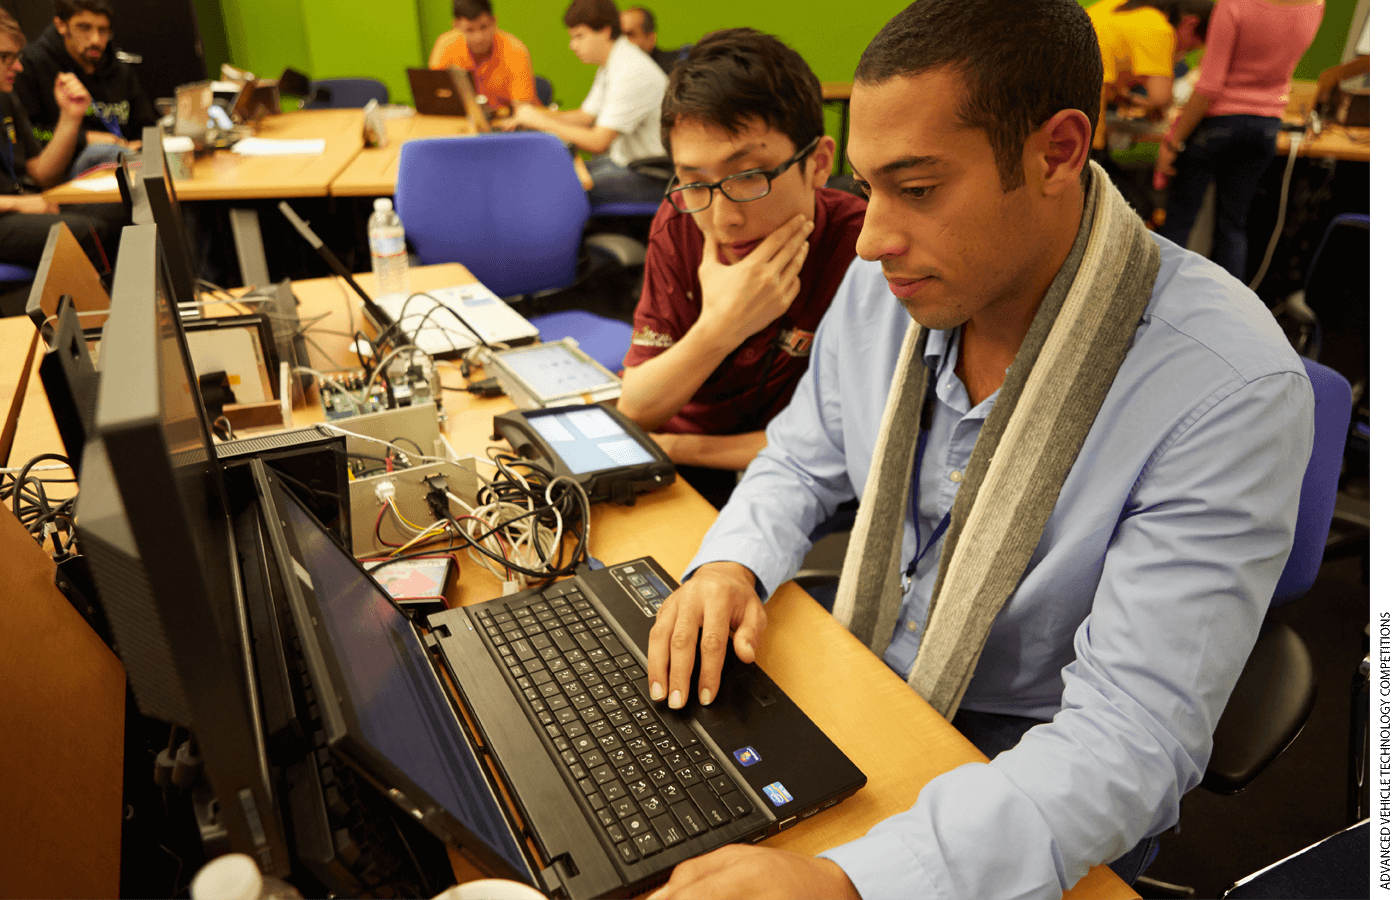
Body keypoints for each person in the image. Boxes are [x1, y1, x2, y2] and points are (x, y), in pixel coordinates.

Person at [644, 1, 1313, 898]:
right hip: (873, 687)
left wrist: (850, 885)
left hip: (1034, 772)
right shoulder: (894, 284)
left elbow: (1128, 743)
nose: (874, 235)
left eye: (917, 189)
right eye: (868, 185)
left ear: (1059, 152)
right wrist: (729, 567)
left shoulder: (1225, 384)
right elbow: (802, 459)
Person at [615, 28, 865, 510]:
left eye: (749, 177)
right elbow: (638, 407)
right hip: (681, 473)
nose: (724, 218)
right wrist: (723, 325)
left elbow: (849, 440)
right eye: (695, 182)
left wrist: (683, 448)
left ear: (818, 163)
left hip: (797, 480)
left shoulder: (860, 248)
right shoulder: (682, 219)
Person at [1156, 0, 1325, 282]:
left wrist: (1172, 142)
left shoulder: (1233, 4)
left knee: (1178, 224)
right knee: (1233, 227)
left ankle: (1151, 310)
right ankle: (1231, 318)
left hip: (1219, 123)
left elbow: (1209, 86)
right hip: (1267, 126)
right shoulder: (1315, 5)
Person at [501, 0, 667, 204]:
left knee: (551, 189)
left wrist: (538, 121)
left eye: (579, 36)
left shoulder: (631, 71)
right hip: (624, 163)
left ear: (605, 31)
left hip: (650, 176)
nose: (573, 46)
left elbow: (598, 141)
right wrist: (530, 115)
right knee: (549, 175)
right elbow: (584, 117)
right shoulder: (612, 63)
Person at [0, 8, 120, 273]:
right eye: (4, 57)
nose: (18, 67)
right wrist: (20, 203)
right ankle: (111, 312)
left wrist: (70, 117)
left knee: (117, 209)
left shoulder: (6, 97)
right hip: (7, 212)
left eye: (16, 57)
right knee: (86, 232)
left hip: (21, 204)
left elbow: (42, 174)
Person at [13, 0, 156, 178]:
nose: (95, 39)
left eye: (103, 30)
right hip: (65, 170)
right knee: (102, 153)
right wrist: (86, 138)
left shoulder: (120, 70)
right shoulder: (30, 65)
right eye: (84, 28)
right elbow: (32, 133)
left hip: (125, 161)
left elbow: (147, 125)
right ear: (61, 25)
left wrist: (141, 145)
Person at [428, 0, 539, 114]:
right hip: (463, 123)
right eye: (470, 30)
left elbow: (523, 108)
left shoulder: (515, 50)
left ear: (494, 21)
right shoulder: (446, 45)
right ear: (456, 26)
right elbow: (435, 97)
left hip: (507, 123)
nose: (479, 38)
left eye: (484, 27)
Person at [621, 6, 683, 75]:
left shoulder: (675, 69)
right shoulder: (613, 70)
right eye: (619, 35)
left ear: (651, 39)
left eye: (630, 34)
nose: (622, 41)